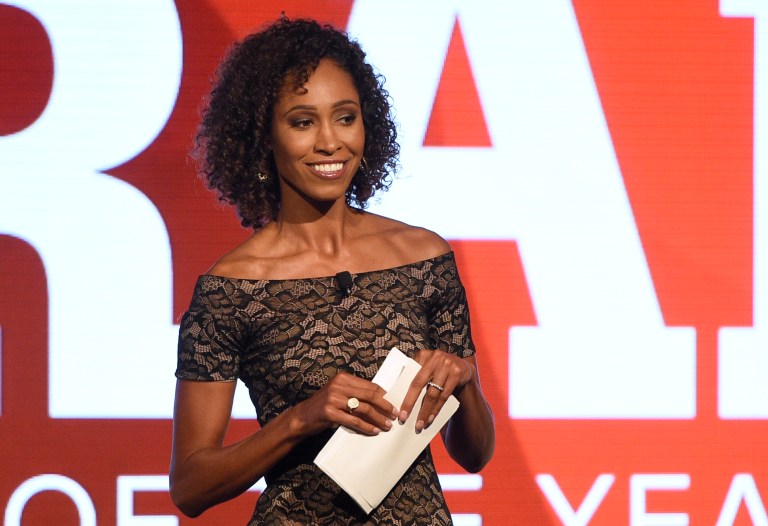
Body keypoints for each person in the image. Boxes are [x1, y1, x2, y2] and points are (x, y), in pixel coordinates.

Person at [170, 16, 495, 525]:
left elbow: (475, 455)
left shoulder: (425, 258)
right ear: (264, 137)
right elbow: (190, 486)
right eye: (302, 122)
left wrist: (466, 384)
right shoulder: (231, 289)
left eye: (345, 117)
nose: (330, 142)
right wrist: (301, 419)